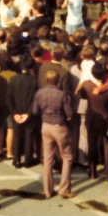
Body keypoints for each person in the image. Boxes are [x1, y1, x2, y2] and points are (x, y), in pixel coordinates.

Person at [32, 69, 76, 200]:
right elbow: (69, 113)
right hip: (59, 126)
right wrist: (67, 116)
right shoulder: (61, 94)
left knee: (47, 158)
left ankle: (48, 190)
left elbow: (35, 110)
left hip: (45, 126)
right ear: (58, 80)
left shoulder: (40, 93)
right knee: (67, 157)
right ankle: (64, 189)